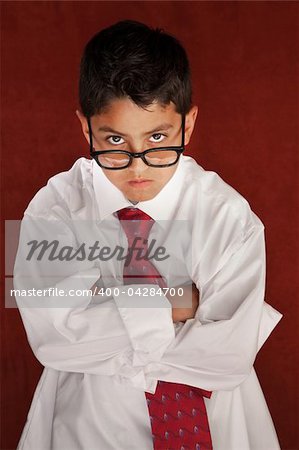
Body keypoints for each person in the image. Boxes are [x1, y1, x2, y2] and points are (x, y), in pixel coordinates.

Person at [13, 20, 283, 450]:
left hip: (219, 428)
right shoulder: (54, 210)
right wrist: (178, 303)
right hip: (88, 428)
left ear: (187, 126)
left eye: (158, 138)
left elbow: (230, 359)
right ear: (86, 129)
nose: (138, 167)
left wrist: (109, 312)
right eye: (115, 140)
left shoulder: (229, 215)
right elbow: (55, 342)